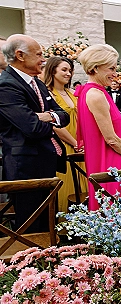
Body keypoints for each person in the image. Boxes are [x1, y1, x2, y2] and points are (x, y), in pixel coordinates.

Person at [0, 34, 69, 231]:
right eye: (39, 54)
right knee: (30, 225)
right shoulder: (6, 85)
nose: (43, 59)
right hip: (25, 167)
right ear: (20, 55)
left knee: (48, 222)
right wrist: (46, 118)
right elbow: (32, 128)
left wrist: (44, 115)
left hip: (46, 162)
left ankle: (52, 258)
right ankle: (31, 261)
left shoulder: (37, 82)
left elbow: (64, 115)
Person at [76, 44, 121, 210]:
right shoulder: (96, 95)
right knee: (115, 213)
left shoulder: (92, 92)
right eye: (111, 68)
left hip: (110, 160)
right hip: (109, 163)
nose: (115, 74)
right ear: (95, 68)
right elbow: (110, 138)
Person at [44, 56, 85, 212]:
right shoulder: (48, 93)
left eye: (70, 70)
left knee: (82, 183)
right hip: (64, 144)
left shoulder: (72, 93)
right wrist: (74, 143)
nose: (68, 73)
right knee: (66, 184)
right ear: (53, 70)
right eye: (64, 70)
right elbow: (53, 124)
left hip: (80, 144)